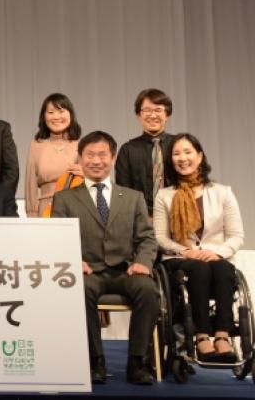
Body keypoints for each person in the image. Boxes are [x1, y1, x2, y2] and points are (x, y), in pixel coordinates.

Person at [51, 131, 158, 385]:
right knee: (79, 289)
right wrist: (71, 260)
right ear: (80, 158)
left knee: (149, 290)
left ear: (112, 158)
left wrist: (142, 261)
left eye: (102, 155)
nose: (96, 161)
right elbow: (57, 238)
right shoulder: (65, 199)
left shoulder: (133, 197)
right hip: (88, 271)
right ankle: (94, 361)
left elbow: (146, 238)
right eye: (90, 155)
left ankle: (138, 362)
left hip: (125, 271)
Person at [153, 133, 244, 363]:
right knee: (199, 269)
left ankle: (223, 335)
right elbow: (161, 238)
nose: (182, 158)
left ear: (200, 156)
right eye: (176, 154)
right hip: (179, 258)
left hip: (215, 257)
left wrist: (216, 252)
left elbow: (236, 237)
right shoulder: (165, 195)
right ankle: (202, 336)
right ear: (170, 160)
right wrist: (187, 252)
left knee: (223, 269)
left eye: (187, 152)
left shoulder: (223, 192)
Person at [115, 88, 176, 215]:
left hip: (177, 216)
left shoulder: (179, 146)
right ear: (138, 115)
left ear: (167, 115)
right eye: (147, 110)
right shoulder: (128, 150)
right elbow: (123, 193)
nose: (152, 115)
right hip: (142, 221)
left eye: (158, 110)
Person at [24, 93, 82, 217]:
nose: (56, 117)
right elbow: (30, 184)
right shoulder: (36, 145)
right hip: (46, 209)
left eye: (61, 111)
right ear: (44, 117)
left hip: (75, 208)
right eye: (51, 112)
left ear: (70, 114)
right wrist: (32, 214)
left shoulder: (81, 145)